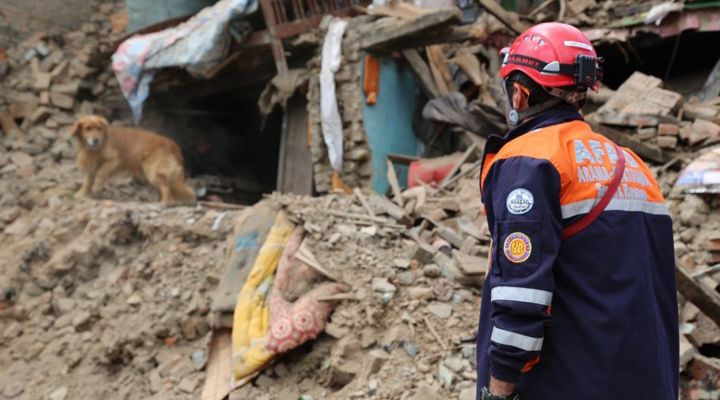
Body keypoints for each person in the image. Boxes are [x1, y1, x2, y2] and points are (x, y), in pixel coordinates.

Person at [475, 22, 678, 399]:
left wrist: (497, 391)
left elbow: (522, 296)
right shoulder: (632, 165)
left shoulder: (531, 161)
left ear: (518, 93)